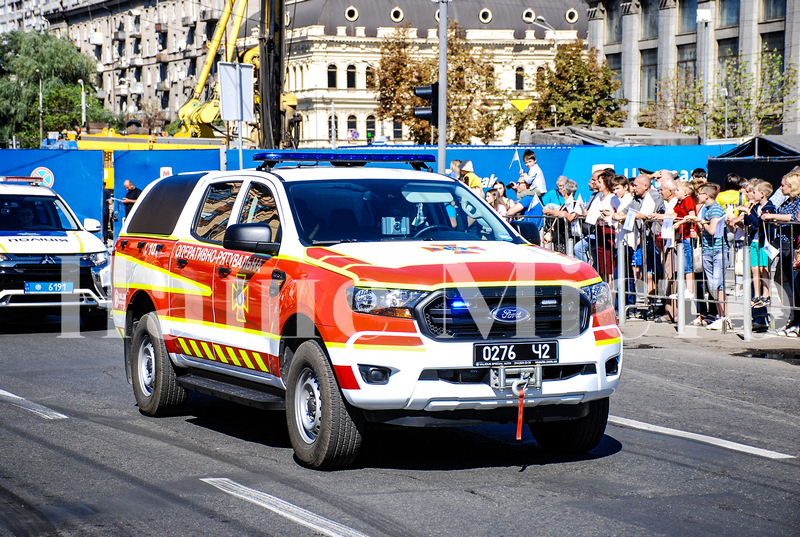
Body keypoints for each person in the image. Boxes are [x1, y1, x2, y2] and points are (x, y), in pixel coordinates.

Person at [760, 167, 800, 336]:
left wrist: (772, 218)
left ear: (792, 186)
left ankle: (797, 320)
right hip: (782, 245)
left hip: (793, 245)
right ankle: (792, 317)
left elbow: (796, 218)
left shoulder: (798, 201)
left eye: (784, 185)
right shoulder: (786, 201)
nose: (781, 188)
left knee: (796, 284)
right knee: (783, 281)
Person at [688, 183, 729, 330]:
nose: (697, 196)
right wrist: (699, 231)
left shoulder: (716, 209)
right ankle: (720, 316)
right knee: (712, 286)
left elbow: (712, 230)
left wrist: (702, 222)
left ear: (706, 195)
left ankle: (724, 317)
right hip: (708, 250)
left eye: (700, 193)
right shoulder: (707, 209)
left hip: (717, 251)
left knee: (718, 285)